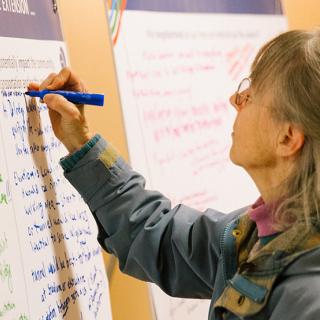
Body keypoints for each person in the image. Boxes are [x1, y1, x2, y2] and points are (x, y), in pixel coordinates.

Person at [29, 29, 320, 320]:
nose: (235, 99)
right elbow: (161, 236)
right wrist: (80, 141)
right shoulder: (260, 229)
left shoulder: (307, 299)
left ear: (287, 137)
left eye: (251, 95)